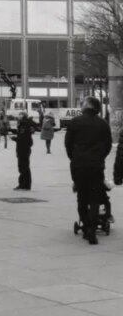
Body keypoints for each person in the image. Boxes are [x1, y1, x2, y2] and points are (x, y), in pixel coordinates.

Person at [64, 96, 112, 244]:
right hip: (96, 166)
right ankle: (92, 229)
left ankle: (85, 225)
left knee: (82, 197)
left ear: (87, 106)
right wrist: (99, 157)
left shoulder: (74, 122)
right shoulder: (103, 124)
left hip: (78, 165)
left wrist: (74, 158)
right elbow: (108, 145)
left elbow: (68, 144)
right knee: (95, 197)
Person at [14, 111, 37, 190]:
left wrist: (15, 138)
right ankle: (27, 184)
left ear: (23, 116)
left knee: (22, 166)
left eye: (20, 114)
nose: (18, 116)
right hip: (26, 147)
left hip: (22, 147)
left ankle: (23, 184)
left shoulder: (23, 124)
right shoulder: (27, 123)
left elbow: (22, 137)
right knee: (25, 165)